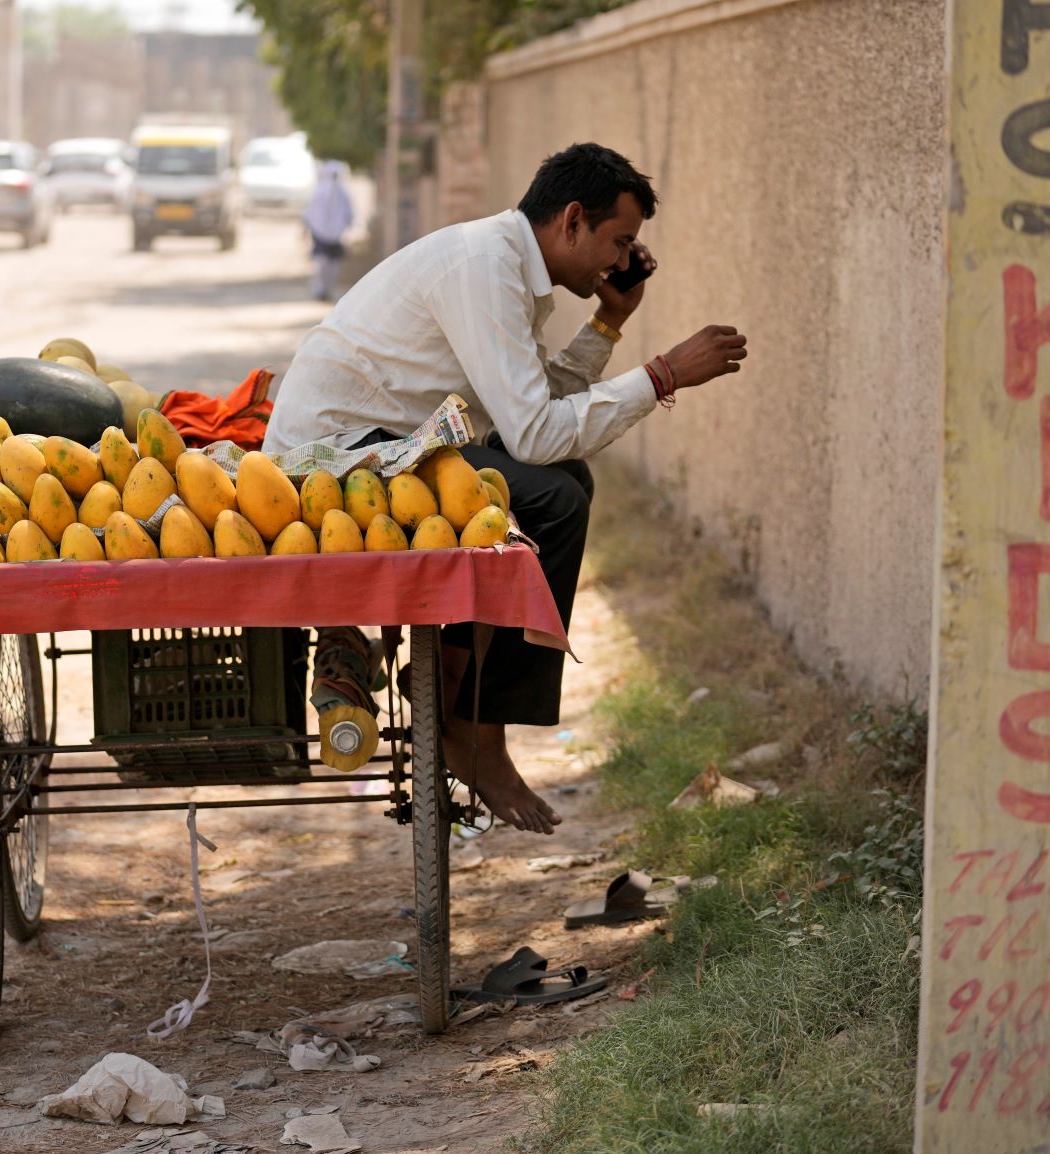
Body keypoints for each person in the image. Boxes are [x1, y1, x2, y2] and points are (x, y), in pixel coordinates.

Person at [264, 142, 747, 835]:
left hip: (392, 443)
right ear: (572, 221)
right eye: (618, 242)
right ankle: (470, 724)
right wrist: (662, 375)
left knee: (565, 482)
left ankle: (460, 696)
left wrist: (608, 324)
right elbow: (535, 434)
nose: (618, 262)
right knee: (553, 496)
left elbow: (529, 406)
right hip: (338, 460)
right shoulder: (486, 268)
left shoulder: (506, 266)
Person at [302, 161, 353, 302]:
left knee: (332, 263)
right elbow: (310, 212)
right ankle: (319, 289)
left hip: (336, 234)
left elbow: (348, 213)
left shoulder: (342, 193)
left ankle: (328, 289)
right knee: (321, 261)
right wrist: (306, 228)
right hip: (319, 232)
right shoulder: (319, 191)